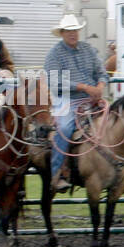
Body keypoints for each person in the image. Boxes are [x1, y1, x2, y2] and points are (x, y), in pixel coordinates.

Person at [44, 14, 109, 191]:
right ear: (62, 33)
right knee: (64, 128)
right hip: (67, 99)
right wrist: (84, 87)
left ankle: (118, 171)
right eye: (68, 31)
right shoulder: (54, 54)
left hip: (92, 97)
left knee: (117, 122)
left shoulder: (89, 50)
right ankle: (57, 173)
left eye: (75, 30)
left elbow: (102, 72)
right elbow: (54, 82)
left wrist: (100, 86)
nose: (72, 34)